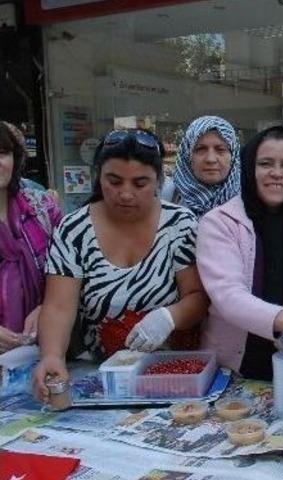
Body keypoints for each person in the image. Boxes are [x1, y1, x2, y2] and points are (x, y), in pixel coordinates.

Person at [32, 129, 209, 401]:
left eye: (140, 184)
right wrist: (52, 356)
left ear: (159, 181)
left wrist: (169, 317)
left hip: (172, 373)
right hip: (101, 372)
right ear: (98, 177)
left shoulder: (180, 225)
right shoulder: (73, 230)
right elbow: (58, 306)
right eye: (114, 181)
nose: (126, 194)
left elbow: (197, 297)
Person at [197, 126, 283, 380]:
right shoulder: (220, 222)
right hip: (238, 370)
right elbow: (227, 295)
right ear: (249, 168)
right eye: (265, 163)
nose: (277, 174)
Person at [0, 121, 63, 353]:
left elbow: (74, 269)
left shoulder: (42, 209)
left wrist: (48, 306)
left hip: (47, 353)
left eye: (3, 153)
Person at [166, 116, 241, 217]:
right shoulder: (167, 197)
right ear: (187, 155)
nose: (210, 159)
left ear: (233, 155)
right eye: (201, 149)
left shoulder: (250, 200)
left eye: (220, 149)